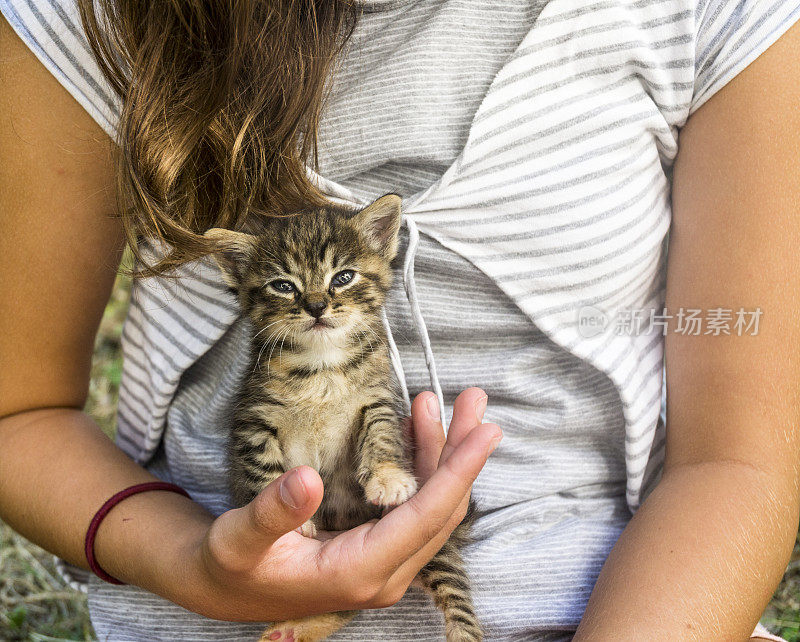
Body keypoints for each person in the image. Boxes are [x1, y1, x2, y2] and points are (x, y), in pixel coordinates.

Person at [0, 0, 798, 640]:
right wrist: (193, 565)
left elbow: (740, 459)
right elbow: (19, 412)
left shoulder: (706, 15)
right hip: (221, 616)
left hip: (630, 607)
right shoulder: (97, 18)